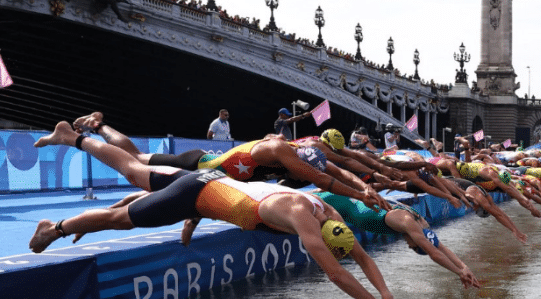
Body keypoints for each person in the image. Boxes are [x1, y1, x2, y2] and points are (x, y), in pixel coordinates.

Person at [31, 122, 410, 299]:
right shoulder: (302, 216)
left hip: (209, 184)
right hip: (196, 194)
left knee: (134, 171)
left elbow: (357, 254)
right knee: (119, 216)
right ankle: (55, 227)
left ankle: (74, 138)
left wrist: (386, 295)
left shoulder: (325, 211)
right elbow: (337, 273)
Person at [72, 112, 390, 211]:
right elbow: (323, 178)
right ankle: (97, 126)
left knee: (147, 179)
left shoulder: (297, 147)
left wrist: (364, 186)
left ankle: (114, 208)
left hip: (212, 172)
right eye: (301, 170)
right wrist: (362, 193)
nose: (301, 175)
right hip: (202, 164)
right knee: (135, 162)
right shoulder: (283, 151)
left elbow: (335, 169)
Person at [315, 192, 480, 288]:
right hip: (333, 202)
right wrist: (458, 272)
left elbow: (439, 247)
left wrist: (464, 267)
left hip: (342, 202)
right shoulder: (408, 222)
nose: (410, 247)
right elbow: (434, 253)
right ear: (418, 240)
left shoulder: (422, 224)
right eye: (415, 248)